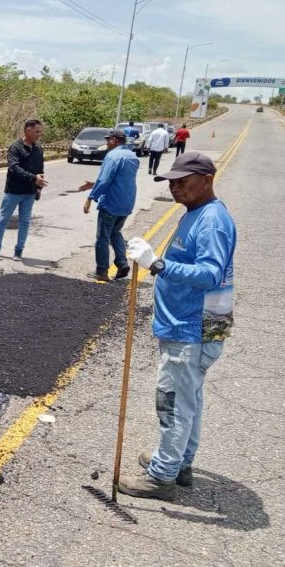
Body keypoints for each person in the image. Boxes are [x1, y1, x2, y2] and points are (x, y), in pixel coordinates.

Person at [120, 152, 236, 501]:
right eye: (171, 182)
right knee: (190, 399)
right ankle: (180, 461)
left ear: (207, 180)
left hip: (192, 328)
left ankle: (162, 476)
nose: (175, 187)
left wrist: (157, 264)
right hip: (194, 324)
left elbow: (210, 274)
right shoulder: (196, 212)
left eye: (183, 181)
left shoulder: (212, 221)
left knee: (173, 403)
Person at [83, 129, 139, 281]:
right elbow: (119, 179)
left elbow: (104, 180)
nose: (107, 143)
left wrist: (91, 197)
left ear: (114, 140)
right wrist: (94, 184)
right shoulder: (132, 156)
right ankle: (122, 263)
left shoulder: (113, 156)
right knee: (115, 232)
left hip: (111, 203)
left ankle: (102, 272)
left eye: (108, 140)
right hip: (126, 202)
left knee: (102, 237)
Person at [0, 119, 48, 260]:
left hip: (30, 192)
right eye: (37, 132)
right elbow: (14, 168)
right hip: (13, 191)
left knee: (25, 222)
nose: (39, 135)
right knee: (3, 219)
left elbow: (40, 170)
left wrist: (38, 188)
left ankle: (19, 250)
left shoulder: (38, 149)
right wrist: (34, 178)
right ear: (28, 130)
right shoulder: (15, 147)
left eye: (40, 132)